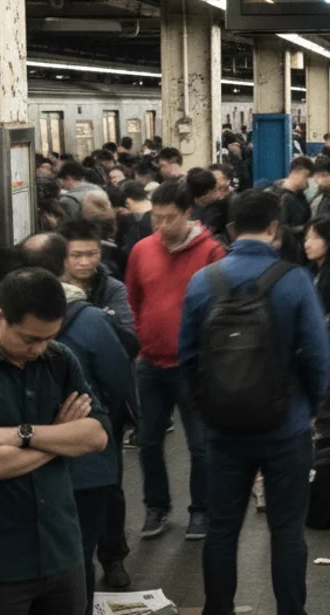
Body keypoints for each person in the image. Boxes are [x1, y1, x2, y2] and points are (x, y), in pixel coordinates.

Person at [179, 190, 330, 615]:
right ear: (275, 229)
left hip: (224, 430)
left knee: (223, 530)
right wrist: (312, 407)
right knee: (286, 531)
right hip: (287, 426)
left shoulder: (203, 281)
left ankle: (219, 609)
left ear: (230, 228)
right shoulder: (295, 280)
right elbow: (318, 356)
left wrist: (205, 410)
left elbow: (187, 358)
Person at [0, 267, 110, 614]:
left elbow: (97, 436)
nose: (40, 348)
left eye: (48, 337)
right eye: (29, 338)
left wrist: (22, 435)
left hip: (62, 551)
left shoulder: (58, 358)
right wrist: (60, 437)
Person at [16, 234, 135, 611]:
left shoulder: (2, 323)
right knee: (76, 556)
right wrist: (92, 414)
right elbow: (120, 381)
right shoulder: (91, 320)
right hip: (86, 463)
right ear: (63, 264)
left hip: (23, 462)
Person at [126, 181, 226, 541]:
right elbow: (134, 299)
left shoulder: (212, 253)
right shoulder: (142, 251)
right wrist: (145, 336)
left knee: (200, 445)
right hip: (150, 363)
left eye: (169, 218)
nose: (161, 227)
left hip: (194, 367)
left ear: (188, 213)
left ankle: (201, 509)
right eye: (156, 218)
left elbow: (221, 310)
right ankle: (156, 506)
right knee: (149, 440)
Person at [188, 169, 230, 242]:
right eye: (215, 190)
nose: (218, 195)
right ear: (206, 194)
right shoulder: (184, 207)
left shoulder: (225, 204)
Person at [278, 157, 314, 231]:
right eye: (306, 176)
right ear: (295, 173)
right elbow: (281, 229)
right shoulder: (285, 198)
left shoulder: (300, 195)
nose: (308, 182)